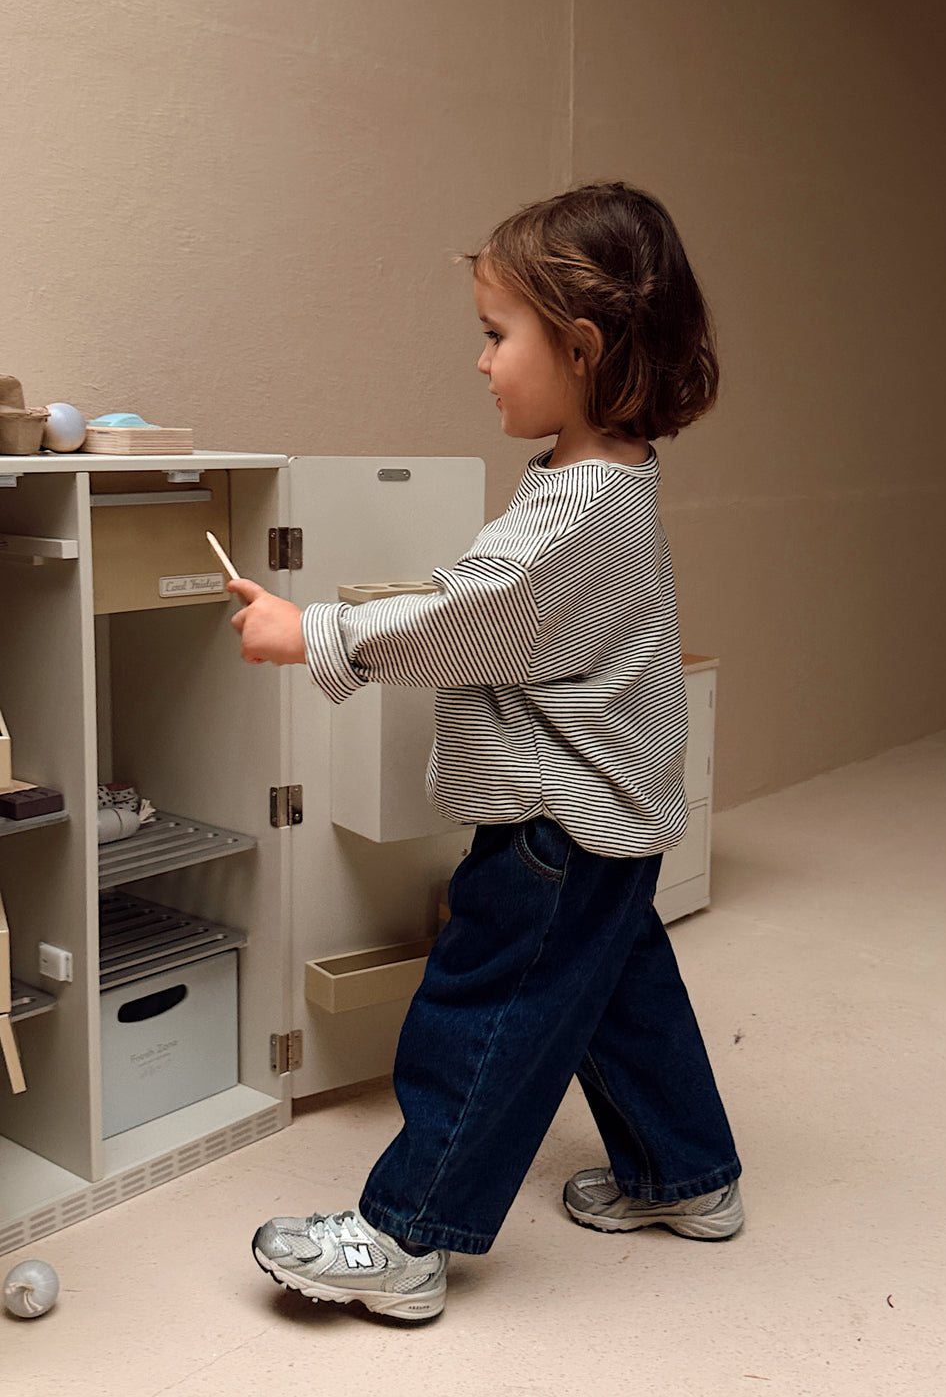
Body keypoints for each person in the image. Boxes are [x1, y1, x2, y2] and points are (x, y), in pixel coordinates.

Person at [229, 182, 743, 1323]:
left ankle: (408, 1235)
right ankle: (687, 1175)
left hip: (553, 825)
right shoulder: (594, 480)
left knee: (482, 1011)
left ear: (581, 347)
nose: (480, 362)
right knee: (617, 997)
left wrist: (308, 630)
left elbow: (475, 617)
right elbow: (503, 608)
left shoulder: (581, 504)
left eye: (494, 334)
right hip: (608, 813)